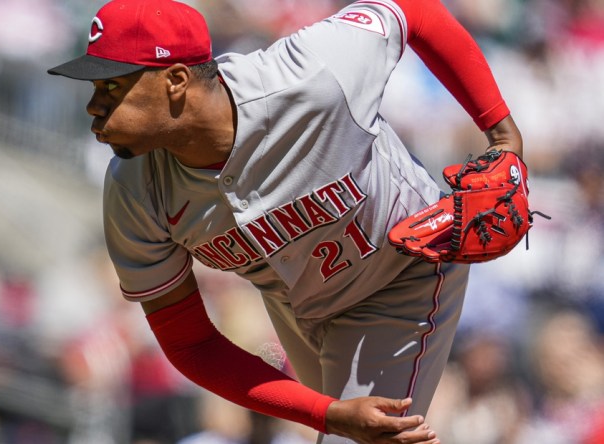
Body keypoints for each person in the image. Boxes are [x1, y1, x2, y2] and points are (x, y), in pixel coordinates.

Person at [47, 0, 524, 442]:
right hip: (298, 310)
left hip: (400, 275)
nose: (94, 104)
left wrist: (503, 135)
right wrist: (324, 412)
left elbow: (413, 11)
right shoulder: (134, 189)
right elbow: (190, 343)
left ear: (175, 80)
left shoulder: (310, 74)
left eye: (112, 85)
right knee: (337, 430)